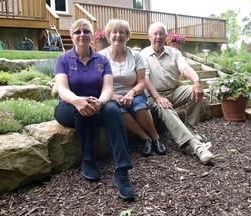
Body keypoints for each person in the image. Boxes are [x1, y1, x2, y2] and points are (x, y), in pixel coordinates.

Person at [54, 18, 135, 201]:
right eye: (77, 32)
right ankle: (88, 159)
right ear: (71, 36)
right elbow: (63, 89)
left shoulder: (102, 60)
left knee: (113, 110)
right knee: (80, 112)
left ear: (92, 35)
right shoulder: (63, 59)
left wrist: (100, 102)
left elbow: (108, 88)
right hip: (68, 106)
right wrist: (77, 101)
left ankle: (121, 172)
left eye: (86, 31)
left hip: (96, 103)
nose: (82, 35)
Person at [140, 22, 214, 164]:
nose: (158, 37)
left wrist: (197, 82)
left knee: (196, 91)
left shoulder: (174, 52)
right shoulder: (143, 55)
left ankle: (191, 129)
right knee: (164, 106)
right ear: (149, 37)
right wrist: (157, 97)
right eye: (155, 34)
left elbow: (186, 68)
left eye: (161, 33)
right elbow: (145, 79)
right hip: (153, 95)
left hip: (174, 91)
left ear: (166, 37)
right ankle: (196, 146)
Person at [99, 19, 166, 157]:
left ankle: (155, 138)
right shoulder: (101, 57)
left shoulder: (136, 56)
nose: (118, 35)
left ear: (127, 35)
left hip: (134, 92)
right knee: (118, 110)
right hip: (111, 95)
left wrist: (131, 93)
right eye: (114, 32)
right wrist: (113, 96)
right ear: (108, 35)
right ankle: (145, 138)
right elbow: (98, 84)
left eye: (122, 32)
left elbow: (141, 81)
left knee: (139, 106)